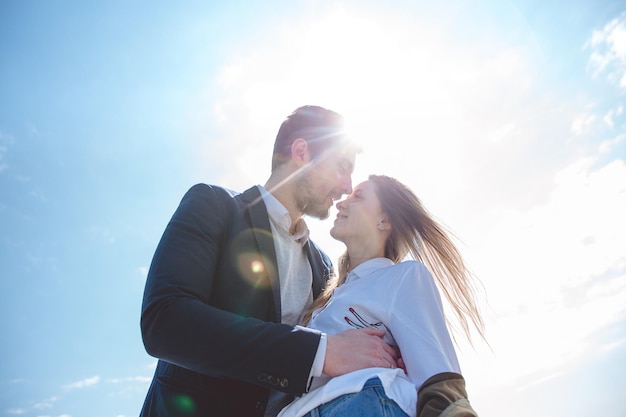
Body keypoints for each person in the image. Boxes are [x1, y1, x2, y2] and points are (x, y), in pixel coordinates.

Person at [139, 106, 400, 417]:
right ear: (301, 152)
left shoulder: (322, 268)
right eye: (342, 166)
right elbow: (166, 322)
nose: (346, 186)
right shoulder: (213, 205)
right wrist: (321, 351)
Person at [278, 175, 485, 417]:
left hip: (362, 405)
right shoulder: (326, 296)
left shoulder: (403, 277)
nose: (341, 203)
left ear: (384, 220)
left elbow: (437, 376)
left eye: (359, 197)